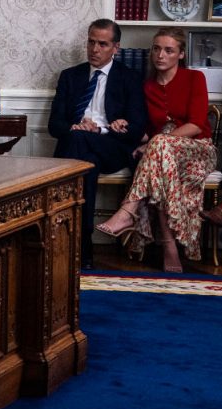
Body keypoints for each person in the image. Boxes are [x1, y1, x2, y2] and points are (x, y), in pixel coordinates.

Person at [96, 27, 215, 273]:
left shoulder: (194, 78)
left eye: (169, 50)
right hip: (164, 156)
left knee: (160, 147)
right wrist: (125, 124)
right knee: (161, 167)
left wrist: (155, 142)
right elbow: (148, 129)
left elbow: (195, 126)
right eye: (157, 49)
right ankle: (170, 248)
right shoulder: (147, 87)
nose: (160, 55)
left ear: (180, 54)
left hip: (198, 151)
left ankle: (128, 210)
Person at [48, 18, 148, 270]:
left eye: (102, 44)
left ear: (116, 48)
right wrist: (76, 126)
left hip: (112, 147)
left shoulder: (130, 77)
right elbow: (54, 125)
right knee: (87, 164)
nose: (94, 49)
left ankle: (68, 245)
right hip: (81, 147)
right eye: (91, 42)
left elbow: (137, 129)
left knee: (78, 142)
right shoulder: (70, 76)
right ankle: (84, 249)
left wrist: (105, 128)